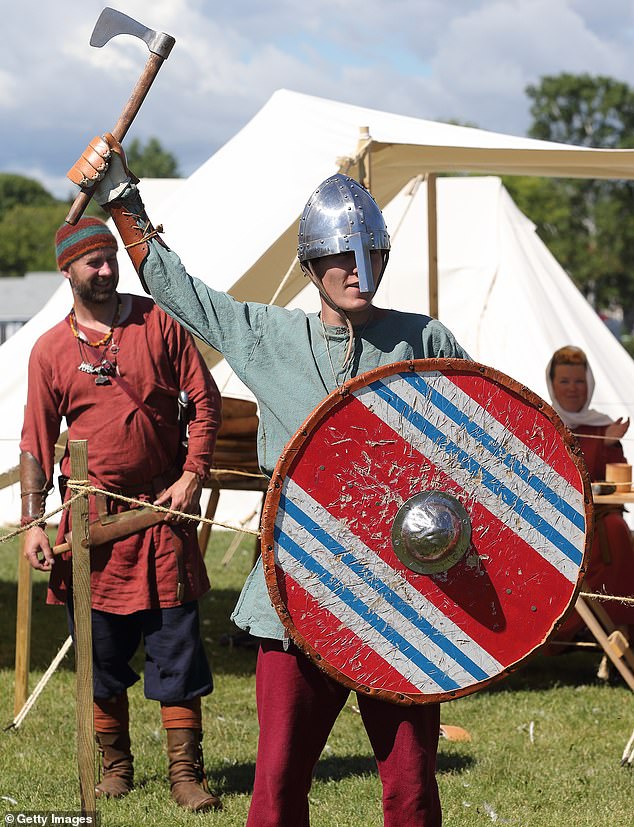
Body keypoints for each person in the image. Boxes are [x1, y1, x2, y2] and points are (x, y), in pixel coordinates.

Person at [66, 133, 471, 827]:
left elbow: (489, 439)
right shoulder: (269, 336)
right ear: (313, 265)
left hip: (404, 602)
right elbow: (179, 291)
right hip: (298, 594)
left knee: (410, 788)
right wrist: (122, 197)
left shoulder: (424, 339)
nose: (358, 268)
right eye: (341, 256)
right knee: (278, 784)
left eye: (369, 252)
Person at [20, 216, 223, 812]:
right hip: (92, 528)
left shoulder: (157, 323)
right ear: (68, 271)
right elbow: (35, 441)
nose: (107, 270)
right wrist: (34, 522)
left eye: (111, 258)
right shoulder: (50, 350)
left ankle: (186, 776)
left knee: (177, 652)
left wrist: (192, 474)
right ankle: (116, 767)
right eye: (93, 262)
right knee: (101, 656)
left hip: (163, 519)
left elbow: (205, 403)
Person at [546, 345, 634, 642]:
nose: (573, 389)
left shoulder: (601, 426)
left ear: (590, 384)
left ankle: (616, 624)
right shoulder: (544, 424)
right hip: (555, 518)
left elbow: (615, 479)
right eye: (565, 381)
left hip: (598, 520)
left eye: (579, 381)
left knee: (616, 530)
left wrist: (608, 444)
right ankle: (570, 626)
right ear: (552, 384)